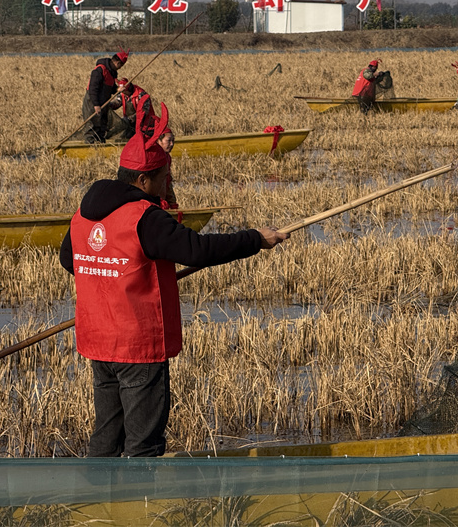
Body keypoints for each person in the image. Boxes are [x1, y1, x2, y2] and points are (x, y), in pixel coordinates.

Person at [59, 103, 288, 457]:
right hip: (136, 346)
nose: (168, 182)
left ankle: (94, 506)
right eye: (165, 176)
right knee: (143, 445)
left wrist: (118, 271)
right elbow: (198, 250)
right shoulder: (145, 217)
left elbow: (70, 261)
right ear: (142, 180)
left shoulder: (83, 214)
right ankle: (139, 509)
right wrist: (256, 239)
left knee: (106, 436)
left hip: (98, 342)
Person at [82, 49, 128, 143]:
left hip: (104, 101)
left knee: (102, 125)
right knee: (91, 125)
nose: (120, 67)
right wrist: (96, 105)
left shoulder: (112, 73)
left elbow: (110, 88)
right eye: (120, 65)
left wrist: (117, 90)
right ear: (115, 62)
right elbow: (93, 89)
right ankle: (90, 146)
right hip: (92, 101)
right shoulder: (99, 70)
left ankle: (100, 144)